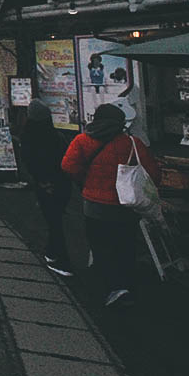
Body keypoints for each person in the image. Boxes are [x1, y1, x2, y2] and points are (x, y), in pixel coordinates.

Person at [62, 103, 161, 308]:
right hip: (126, 204)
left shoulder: (82, 140)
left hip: (94, 205)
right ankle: (125, 287)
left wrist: (85, 181)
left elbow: (68, 166)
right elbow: (152, 172)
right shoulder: (131, 143)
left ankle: (110, 287)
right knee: (125, 245)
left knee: (100, 246)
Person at [21, 99, 74, 276]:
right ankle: (52, 253)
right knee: (56, 220)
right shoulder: (56, 136)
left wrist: (42, 181)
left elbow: (30, 161)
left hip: (46, 184)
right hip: (63, 183)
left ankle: (61, 260)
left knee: (54, 223)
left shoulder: (29, 136)